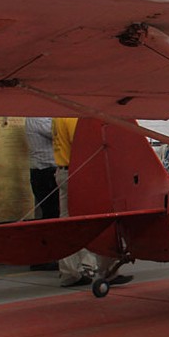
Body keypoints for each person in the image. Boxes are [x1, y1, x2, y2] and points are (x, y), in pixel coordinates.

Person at [53, 117, 133, 289]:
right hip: (81, 173)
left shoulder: (59, 116)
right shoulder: (78, 119)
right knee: (100, 219)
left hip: (64, 171)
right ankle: (107, 269)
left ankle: (69, 273)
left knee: (66, 223)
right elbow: (87, 145)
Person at [24, 117, 59, 272]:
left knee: (51, 214)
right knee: (51, 215)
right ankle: (44, 257)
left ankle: (46, 256)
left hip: (45, 171)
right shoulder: (38, 118)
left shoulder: (44, 118)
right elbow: (58, 133)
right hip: (45, 172)